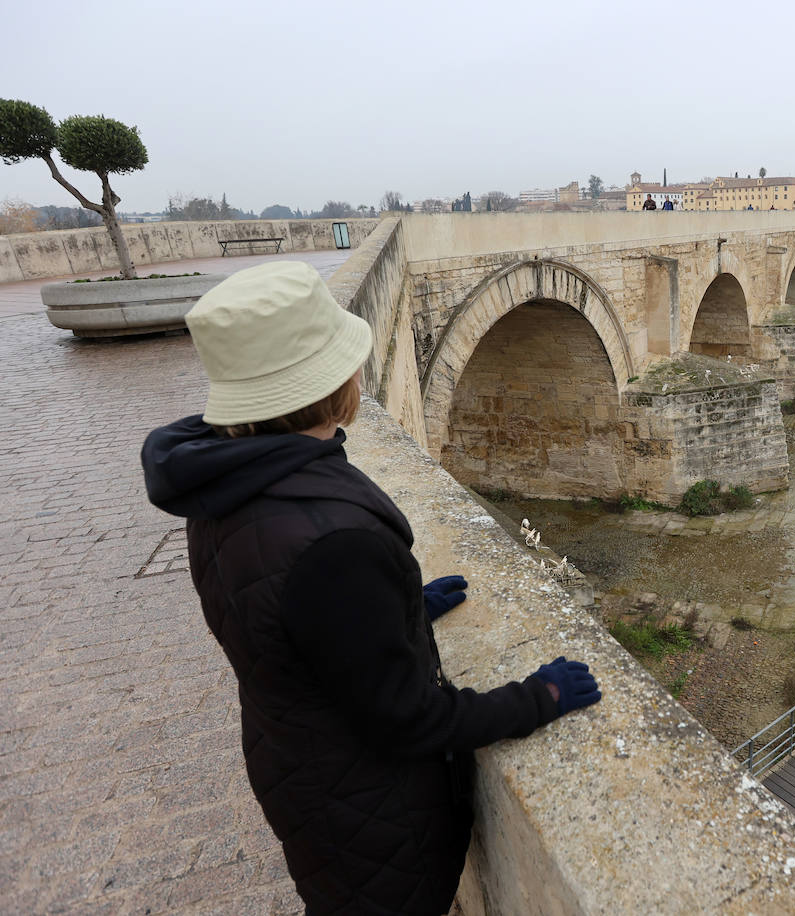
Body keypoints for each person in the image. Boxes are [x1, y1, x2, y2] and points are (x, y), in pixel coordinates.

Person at [141, 261, 602, 915]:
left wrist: (401, 610)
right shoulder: (334, 548)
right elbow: (412, 720)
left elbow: (289, 621)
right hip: (374, 826)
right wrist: (538, 697)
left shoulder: (219, 486)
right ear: (333, 386)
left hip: (302, 778)